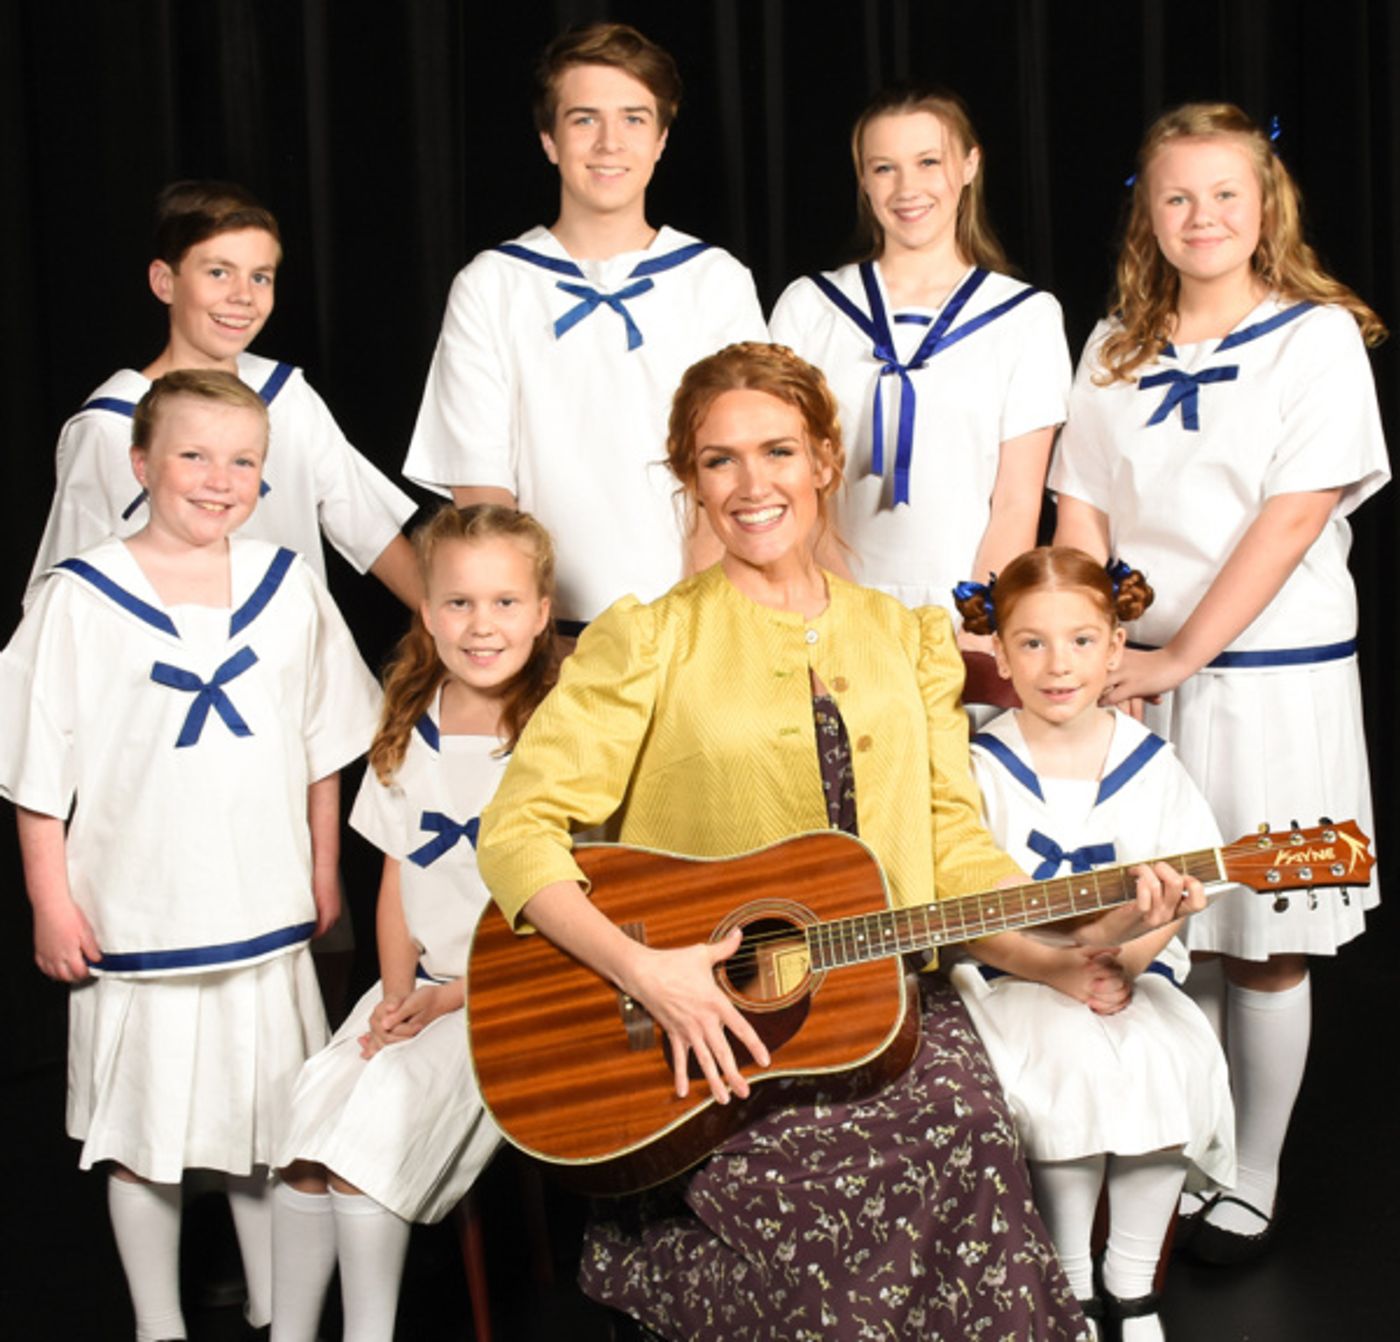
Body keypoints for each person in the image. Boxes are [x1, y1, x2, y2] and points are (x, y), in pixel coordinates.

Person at [476, 342, 1204, 1342]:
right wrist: (649, 973)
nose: (749, 483)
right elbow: (515, 831)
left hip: (888, 1008)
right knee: (829, 1236)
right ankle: (660, 1261)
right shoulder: (644, 637)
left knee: (962, 1133)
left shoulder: (906, 639)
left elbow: (953, 854)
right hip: (706, 1035)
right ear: (688, 478)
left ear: (823, 460)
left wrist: (1069, 948)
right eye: (717, 459)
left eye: (776, 450)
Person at [1050, 102, 1388, 1262]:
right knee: (1167, 922)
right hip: (1140, 679)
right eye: (1175, 195)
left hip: (1267, 679)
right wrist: (1100, 652)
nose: (1200, 216)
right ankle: (1192, 1148)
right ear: (1145, 209)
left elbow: (1292, 516)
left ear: (1263, 207)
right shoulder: (1109, 344)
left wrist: (1182, 653)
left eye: (1223, 195)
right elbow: (1081, 506)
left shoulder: (1313, 337)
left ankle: (1254, 1174)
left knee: (1266, 933)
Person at [0, 369, 380, 1341]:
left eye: (243, 460)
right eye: (193, 456)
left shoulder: (285, 584)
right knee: (143, 1132)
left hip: (261, 905)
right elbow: (38, 770)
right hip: (137, 909)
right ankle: (158, 1323)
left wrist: (322, 869)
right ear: (141, 463)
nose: (219, 479)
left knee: (269, 1127)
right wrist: (50, 902)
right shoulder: (79, 597)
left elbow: (320, 745)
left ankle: (269, 1308)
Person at [268, 503, 558, 1342]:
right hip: (419, 988)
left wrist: (448, 1001)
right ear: (428, 613)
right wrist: (395, 997)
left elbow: (575, 911)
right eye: (459, 603)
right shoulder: (411, 718)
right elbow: (396, 878)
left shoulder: (557, 732)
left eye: (505, 602)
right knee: (309, 1119)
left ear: (542, 614)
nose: (481, 625)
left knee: (371, 1133)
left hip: (510, 997)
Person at [950, 548, 1235, 1341]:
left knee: (1156, 1061)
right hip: (1015, 985)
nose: (1057, 665)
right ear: (999, 653)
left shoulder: (1150, 765)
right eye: (1031, 643)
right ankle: (1069, 1283)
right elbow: (967, 916)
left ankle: (1133, 1289)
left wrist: (1123, 965)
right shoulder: (979, 765)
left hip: (1131, 979)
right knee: (1066, 1066)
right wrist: (1060, 971)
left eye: (1081, 641)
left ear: (1116, 647)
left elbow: (1178, 896)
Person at [402, 22, 767, 632]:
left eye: (632, 119)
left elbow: (738, 461)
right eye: (583, 120)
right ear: (549, 139)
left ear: (661, 140)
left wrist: (689, 623)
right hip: (546, 633)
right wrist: (528, 633)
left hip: (693, 620)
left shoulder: (716, 281)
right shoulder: (491, 284)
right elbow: (483, 491)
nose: (608, 144)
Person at [24, 179, 421, 613]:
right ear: (164, 282)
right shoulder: (111, 424)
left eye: (260, 277)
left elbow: (369, 529)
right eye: (218, 272)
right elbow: (62, 590)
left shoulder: (287, 396)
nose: (243, 297)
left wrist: (443, 620)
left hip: (286, 658)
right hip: (161, 670)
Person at [769, 85, 1070, 624]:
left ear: (970, 165)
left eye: (928, 161)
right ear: (862, 178)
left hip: (961, 606)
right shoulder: (811, 306)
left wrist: (980, 624)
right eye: (884, 168)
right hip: (824, 598)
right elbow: (783, 479)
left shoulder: (1026, 317)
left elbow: (1017, 503)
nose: (907, 187)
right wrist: (842, 615)